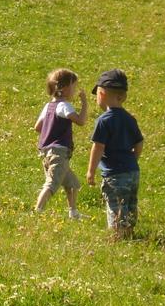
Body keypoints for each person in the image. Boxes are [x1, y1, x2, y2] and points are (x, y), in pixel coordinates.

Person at [86, 69, 144, 239]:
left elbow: (98, 147)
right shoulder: (129, 118)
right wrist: (134, 159)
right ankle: (129, 232)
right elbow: (139, 142)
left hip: (114, 174)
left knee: (116, 205)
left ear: (102, 94)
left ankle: (118, 237)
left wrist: (91, 170)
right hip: (133, 171)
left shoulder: (104, 120)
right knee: (130, 203)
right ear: (123, 96)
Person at [33, 68, 88, 218]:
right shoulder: (64, 105)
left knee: (73, 184)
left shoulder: (48, 106)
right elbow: (81, 121)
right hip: (59, 152)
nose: (75, 90)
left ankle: (73, 212)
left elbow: (37, 127)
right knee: (51, 183)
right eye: (74, 86)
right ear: (64, 88)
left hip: (46, 151)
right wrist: (84, 103)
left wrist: (51, 128)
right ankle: (38, 211)